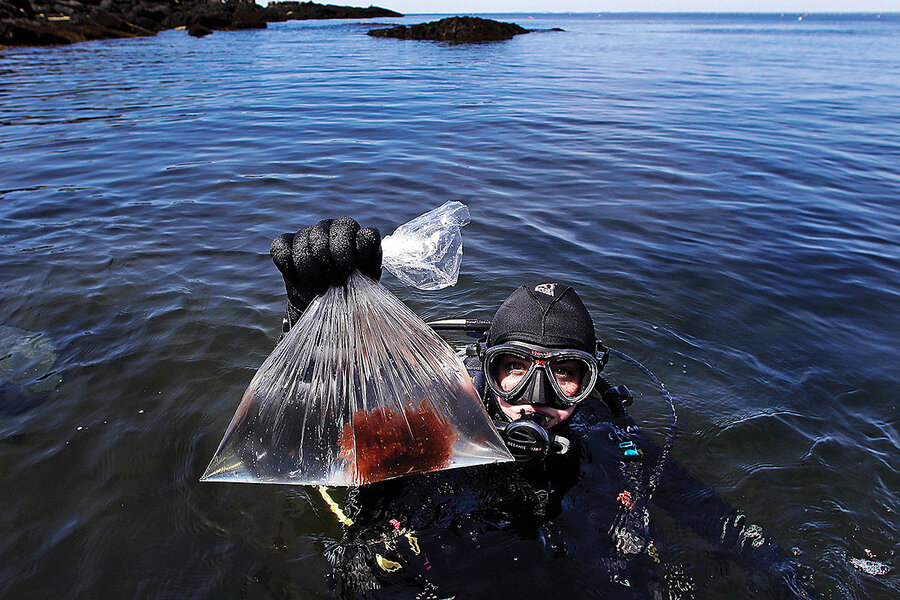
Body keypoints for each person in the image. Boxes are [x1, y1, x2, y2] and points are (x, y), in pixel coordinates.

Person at [270, 218, 814, 599]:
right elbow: (320, 423)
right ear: (485, 369)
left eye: (565, 374)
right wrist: (310, 317)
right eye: (516, 366)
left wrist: (782, 571)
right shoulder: (435, 425)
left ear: (588, 381)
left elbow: (715, 520)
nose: (536, 394)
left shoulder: (613, 447)